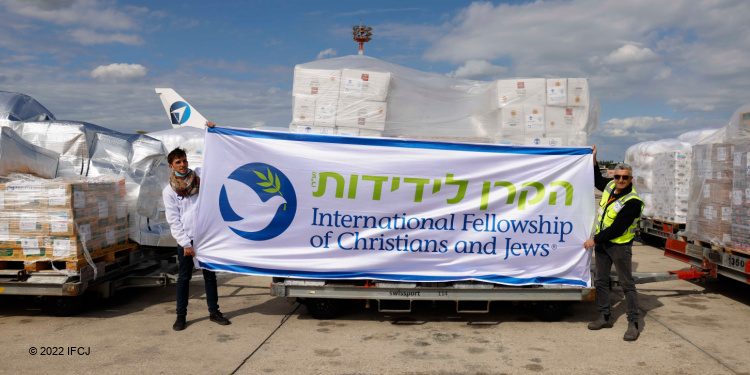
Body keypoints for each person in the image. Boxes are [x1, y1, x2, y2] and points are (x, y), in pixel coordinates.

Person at [163, 121, 229, 331]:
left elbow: (215, 158)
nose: (183, 164)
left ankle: (214, 311)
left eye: (184, 160)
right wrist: (185, 244)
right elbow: (174, 220)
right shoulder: (169, 191)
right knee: (184, 279)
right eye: (178, 162)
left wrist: (213, 131)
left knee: (210, 275)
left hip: (205, 236)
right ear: (171, 166)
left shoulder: (199, 176)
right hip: (187, 240)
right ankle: (181, 316)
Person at [584, 145, 644, 341]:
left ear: (630, 179)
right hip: (603, 245)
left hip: (619, 247)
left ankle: (633, 323)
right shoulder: (610, 187)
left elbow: (617, 229)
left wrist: (594, 240)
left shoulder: (633, 202)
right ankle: (605, 316)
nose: (619, 180)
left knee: (627, 284)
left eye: (624, 177)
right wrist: (594, 158)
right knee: (601, 281)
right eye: (617, 176)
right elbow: (597, 179)